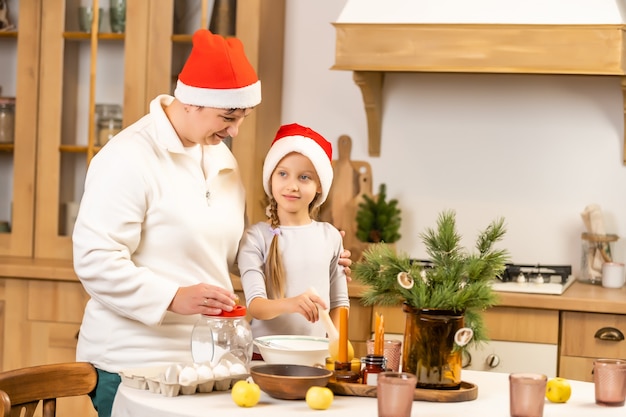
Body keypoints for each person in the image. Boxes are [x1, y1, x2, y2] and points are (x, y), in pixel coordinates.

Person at [72, 30, 351, 417]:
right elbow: (94, 261)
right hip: (135, 365)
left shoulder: (220, 159)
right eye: (228, 117)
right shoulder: (128, 158)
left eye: (243, 117)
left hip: (211, 366)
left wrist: (310, 252)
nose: (235, 130)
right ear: (192, 102)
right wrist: (172, 296)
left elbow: (233, 254)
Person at [237, 123, 350, 343]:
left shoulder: (331, 236)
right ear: (271, 178)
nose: (292, 186)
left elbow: (340, 303)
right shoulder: (256, 237)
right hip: (264, 356)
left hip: (315, 356)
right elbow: (256, 306)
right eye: (283, 174)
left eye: (304, 177)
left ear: (319, 185)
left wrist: (336, 348)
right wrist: (292, 304)